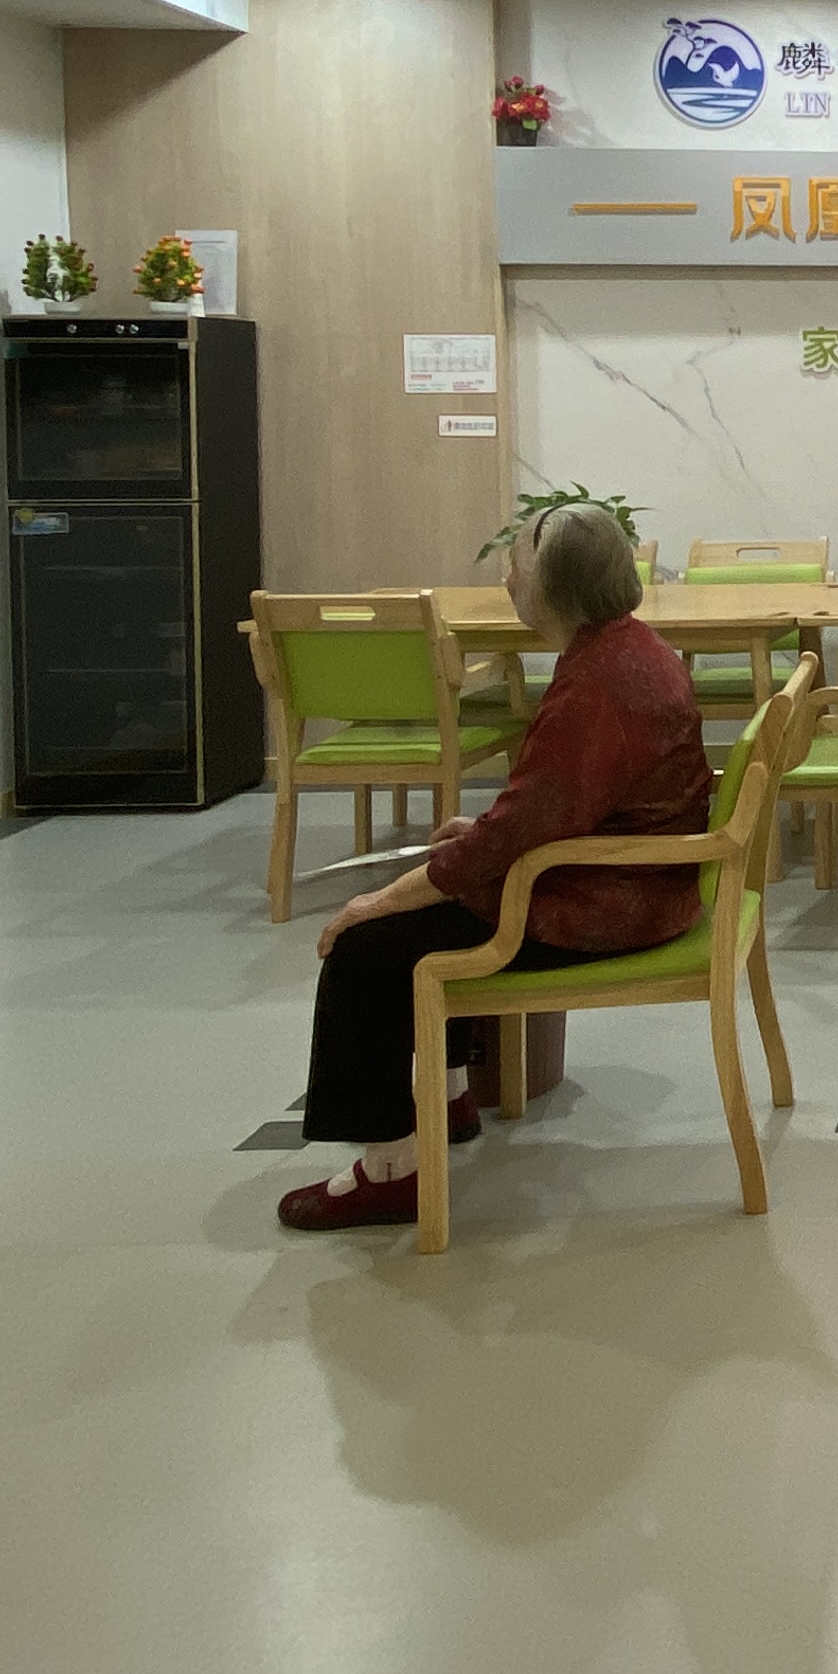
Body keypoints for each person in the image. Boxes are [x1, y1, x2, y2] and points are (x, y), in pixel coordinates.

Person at [277, 504, 714, 1232]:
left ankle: (390, 1175)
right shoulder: (628, 648)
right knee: (431, 906)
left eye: (516, 566)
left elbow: (517, 832)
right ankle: (450, 1100)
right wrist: (483, 837)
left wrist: (379, 900)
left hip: (604, 902)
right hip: (633, 882)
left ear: (549, 590)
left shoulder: (596, 686)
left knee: (366, 949)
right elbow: (553, 805)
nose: (507, 578)